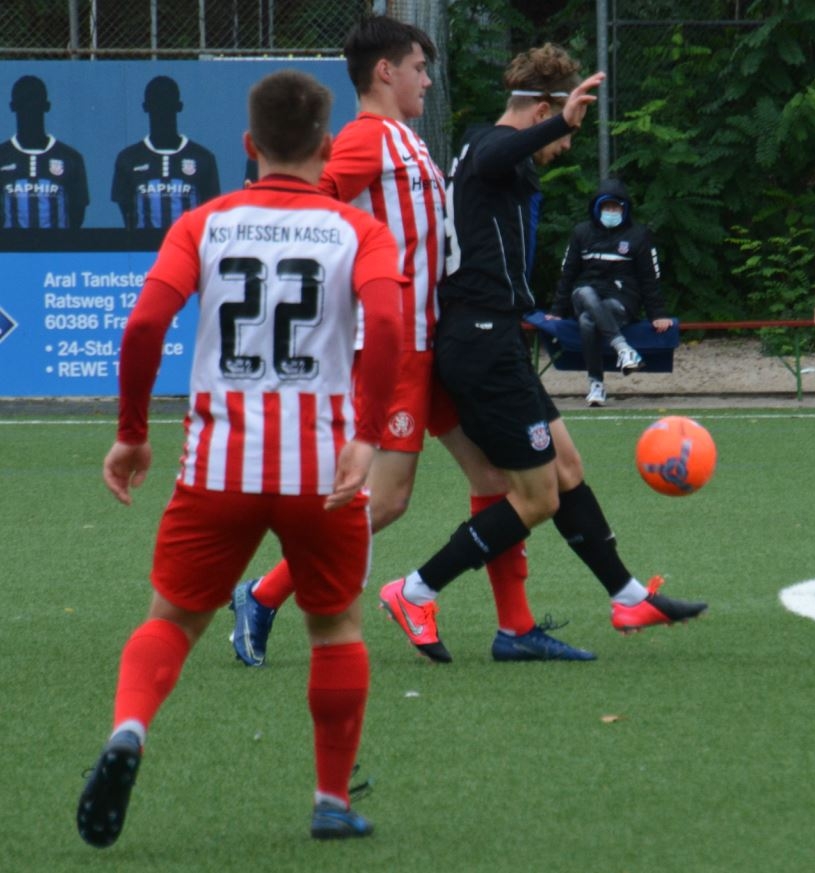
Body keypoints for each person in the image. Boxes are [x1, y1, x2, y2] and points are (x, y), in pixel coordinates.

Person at [76, 69, 403, 848]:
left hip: (218, 467)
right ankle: (330, 800)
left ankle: (129, 728)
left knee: (173, 620)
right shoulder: (358, 230)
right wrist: (367, 434)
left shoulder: (205, 223)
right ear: (327, 147)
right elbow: (388, 325)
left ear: (249, 144)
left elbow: (144, 325)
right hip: (323, 470)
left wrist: (132, 431)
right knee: (335, 627)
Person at [227, 15, 592, 666]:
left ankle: (515, 627)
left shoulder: (406, 141)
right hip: (394, 347)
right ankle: (262, 594)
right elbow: (303, 200)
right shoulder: (367, 139)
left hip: (436, 342)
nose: (427, 80)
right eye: (419, 69)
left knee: (493, 477)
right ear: (384, 71)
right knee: (387, 500)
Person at [379, 43, 708, 651]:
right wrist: (560, 122)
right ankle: (416, 591)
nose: (567, 144)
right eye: (563, 128)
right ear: (543, 111)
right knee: (535, 498)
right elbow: (501, 150)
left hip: (496, 337)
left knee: (566, 468)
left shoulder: (492, 153)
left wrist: (554, 122)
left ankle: (628, 598)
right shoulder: (489, 147)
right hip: (479, 343)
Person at [548, 177, 672, 406]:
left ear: (624, 209)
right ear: (597, 208)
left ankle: (596, 384)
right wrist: (557, 310)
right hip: (584, 293)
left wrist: (658, 313)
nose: (611, 212)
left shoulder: (639, 235)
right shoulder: (581, 233)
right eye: (607, 207)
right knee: (585, 292)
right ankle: (622, 348)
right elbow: (567, 274)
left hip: (621, 299)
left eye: (616, 207)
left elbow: (649, 278)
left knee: (587, 321)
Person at [111, 76, 221, 229]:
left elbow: (210, 211)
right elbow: (128, 215)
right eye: (156, 103)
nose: (162, 110)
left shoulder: (202, 158)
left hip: (187, 244)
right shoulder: (128, 158)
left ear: (179, 106)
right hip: (143, 244)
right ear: (146, 107)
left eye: (167, 104)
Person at [1, 75, 88, 229]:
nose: (29, 107)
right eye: (24, 101)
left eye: (35, 101)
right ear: (13, 106)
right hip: (9, 245)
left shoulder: (70, 158)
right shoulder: (3, 156)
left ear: (46, 106)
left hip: (58, 244)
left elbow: (77, 214)